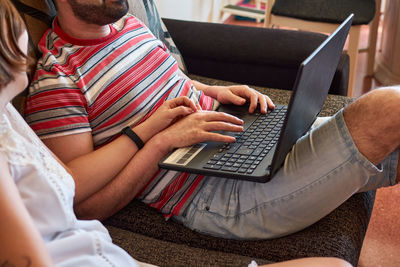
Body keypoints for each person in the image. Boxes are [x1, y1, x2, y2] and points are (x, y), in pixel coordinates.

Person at [24, 0, 399, 242]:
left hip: (234, 144)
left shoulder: (130, 27)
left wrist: (215, 91)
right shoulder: (57, 79)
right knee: (385, 109)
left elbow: (171, 81)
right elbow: (79, 203)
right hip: (216, 196)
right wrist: (160, 141)